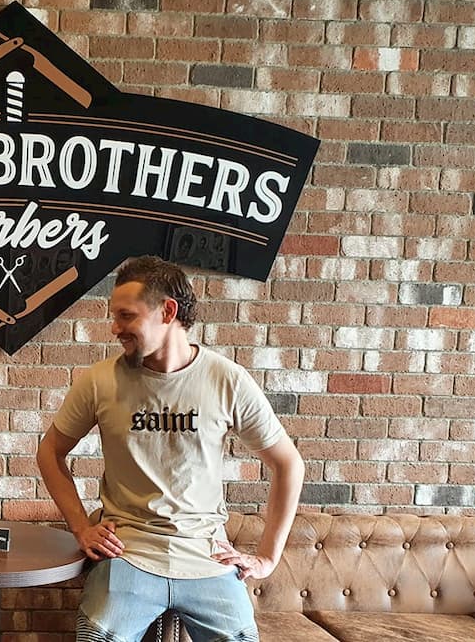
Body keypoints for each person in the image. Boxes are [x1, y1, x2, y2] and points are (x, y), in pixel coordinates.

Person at [36, 256, 303, 641]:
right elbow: (50, 452)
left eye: (126, 316)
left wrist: (266, 558)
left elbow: (288, 464)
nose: (114, 328)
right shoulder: (99, 381)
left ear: (168, 311)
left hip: (206, 557)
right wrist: (81, 528)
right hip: (128, 555)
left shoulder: (225, 380)